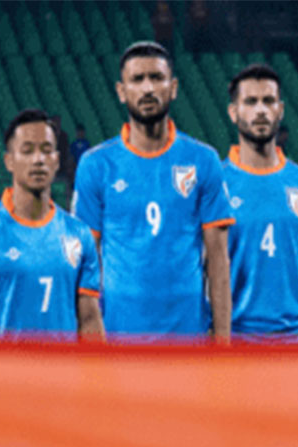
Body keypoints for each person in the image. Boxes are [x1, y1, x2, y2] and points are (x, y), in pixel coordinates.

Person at [74, 41, 234, 340]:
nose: (148, 88)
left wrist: (223, 343)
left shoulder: (203, 160)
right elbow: (84, 263)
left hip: (189, 340)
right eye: (137, 79)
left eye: (156, 78)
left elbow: (218, 261)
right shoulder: (96, 165)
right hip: (120, 343)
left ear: (173, 87)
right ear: (122, 91)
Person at [0, 109, 103, 340]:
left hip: (66, 375)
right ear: (9, 161)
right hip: (9, 375)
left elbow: (90, 321)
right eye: (27, 150)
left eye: (46, 150)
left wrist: (98, 376)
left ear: (56, 160)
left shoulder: (79, 235)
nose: (38, 159)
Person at [221, 64, 298, 343]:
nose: (261, 110)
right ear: (233, 112)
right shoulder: (215, 185)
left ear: (280, 110)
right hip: (236, 344)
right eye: (250, 101)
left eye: (268, 101)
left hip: (296, 343)